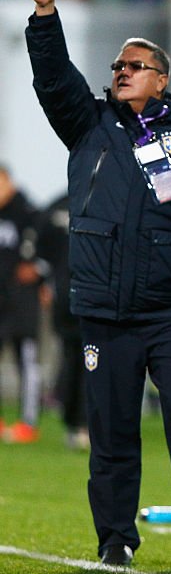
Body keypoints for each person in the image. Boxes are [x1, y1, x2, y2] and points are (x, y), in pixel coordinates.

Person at [26, 0, 171, 567]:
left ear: (160, 80)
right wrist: (43, 15)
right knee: (111, 431)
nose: (120, 73)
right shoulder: (88, 126)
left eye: (133, 66)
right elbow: (54, 79)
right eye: (116, 66)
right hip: (104, 311)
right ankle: (115, 539)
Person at [35, 193, 89, 450]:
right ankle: (81, 422)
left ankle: (73, 420)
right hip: (88, 297)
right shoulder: (100, 200)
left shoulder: (54, 207)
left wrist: (46, 283)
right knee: (87, 360)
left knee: (73, 358)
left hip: (65, 298)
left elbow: (39, 254)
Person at [0, 166, 44, 444]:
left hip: (23, 302)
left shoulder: (29, 212)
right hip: (1, 298)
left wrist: (39, 270)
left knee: (26, 360)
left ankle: (28, 422)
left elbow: (52, 249)